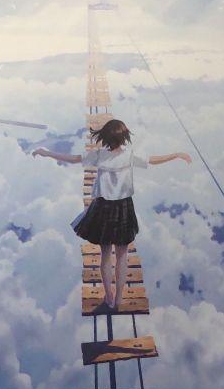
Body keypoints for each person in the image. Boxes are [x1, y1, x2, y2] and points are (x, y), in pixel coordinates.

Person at [33, 119, 192, 311]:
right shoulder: (129, 155)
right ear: (124, 137)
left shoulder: (99, 155)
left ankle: (108, 295)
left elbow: (73, 159)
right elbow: (153, 160)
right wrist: (176, 155)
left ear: (105, 137)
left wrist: (46, 153)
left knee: (106, 254)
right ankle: (118, 299)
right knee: (122, 255)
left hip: (103, 208)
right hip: (124, 207)